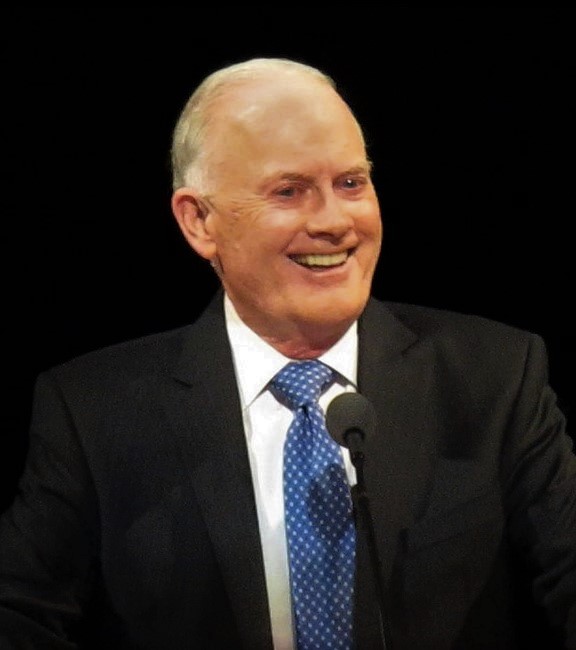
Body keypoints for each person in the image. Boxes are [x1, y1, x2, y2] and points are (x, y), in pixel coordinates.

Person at [0, 56, 574, 650]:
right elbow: (18, 613)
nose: (333, 221)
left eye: (350, 183)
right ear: (199, 222)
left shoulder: (494, 377)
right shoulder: (96, 411)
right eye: (289, 191)